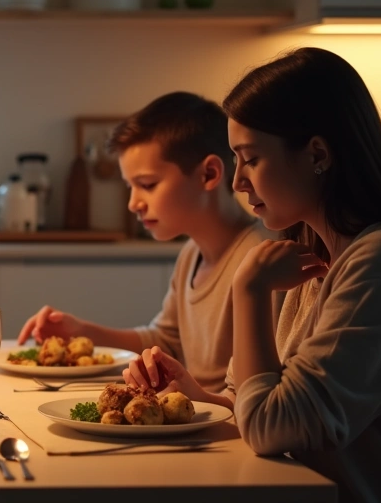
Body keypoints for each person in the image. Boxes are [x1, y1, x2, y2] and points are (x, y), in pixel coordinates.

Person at [126, 48, 381, 503]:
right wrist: (197, 396)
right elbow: (255, 403)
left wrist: (250, 290)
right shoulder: (312, 252)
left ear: (317, 155)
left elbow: (272, 427)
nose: (238, 181)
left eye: (251, 159)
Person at [17, 92, 269, 393]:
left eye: (147, 185)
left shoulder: (263, 260)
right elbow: (165, 341)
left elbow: (255, 395)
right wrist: (81, 331)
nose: (133, 203)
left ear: (209, 174)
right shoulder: (191, 254)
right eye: (130, 186)